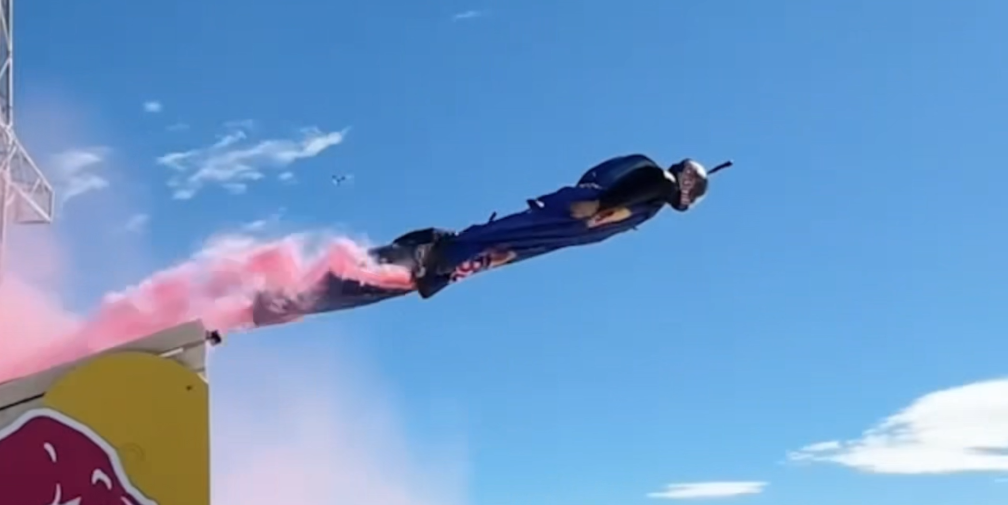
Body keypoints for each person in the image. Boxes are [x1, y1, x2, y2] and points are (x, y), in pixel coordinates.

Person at [246, 153, 726, 329]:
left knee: (404, 278)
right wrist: (601, 207)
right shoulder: (655, 185)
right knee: (408, 273)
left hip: (478, 249)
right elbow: (651, 183)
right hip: (464, 251)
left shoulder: (642, 196)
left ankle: (281, 301)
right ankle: (286, 296)